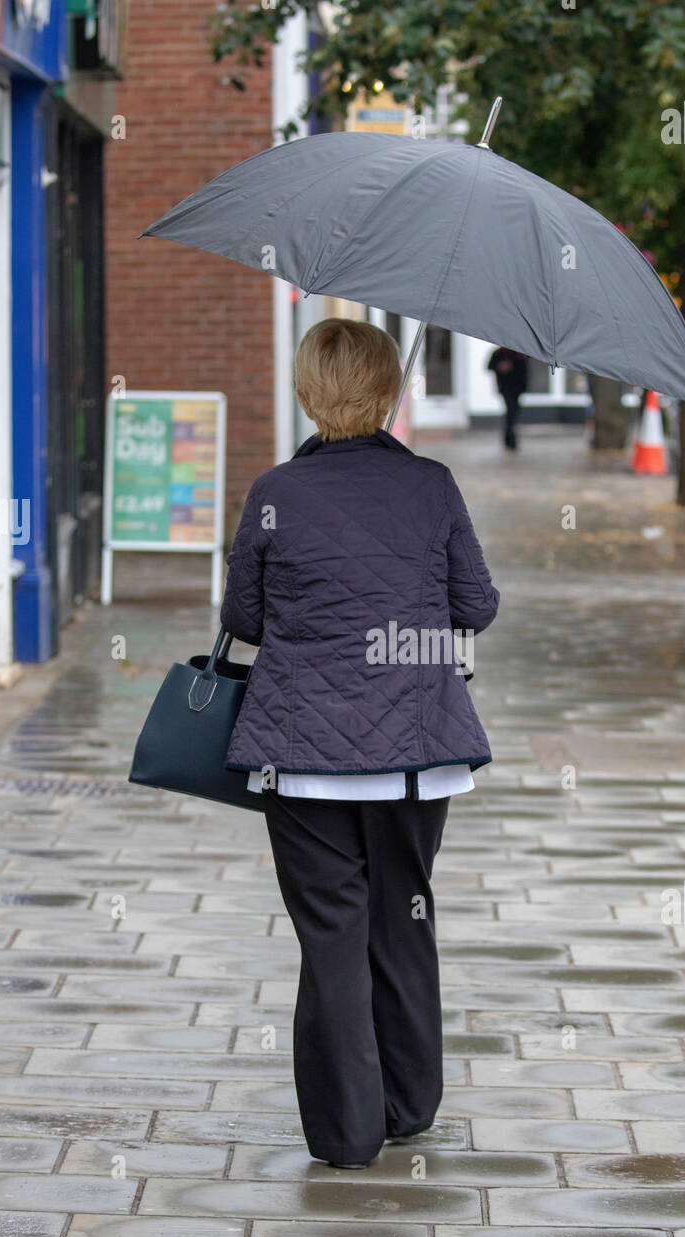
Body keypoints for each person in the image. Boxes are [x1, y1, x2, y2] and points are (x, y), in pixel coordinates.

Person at [220, 318, 500, 1170]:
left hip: (303, 761)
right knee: (404, 916)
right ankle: (411, 1104)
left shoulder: (275, 490)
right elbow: (477, 606)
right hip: (418, 756)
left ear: (310, 392)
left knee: (331, 935)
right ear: (391, 392)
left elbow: (244, 622)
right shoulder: (432, 484)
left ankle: (347, 1134)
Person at [487, 345, 528, 450]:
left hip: (517, 388)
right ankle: (510, 438)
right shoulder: (499, 353)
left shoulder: (519, 354)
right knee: (511, 412)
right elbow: (489, 366)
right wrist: (501, 366)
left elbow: (524, 369)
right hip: (505, 387)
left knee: (512, 412)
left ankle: (510, 437)